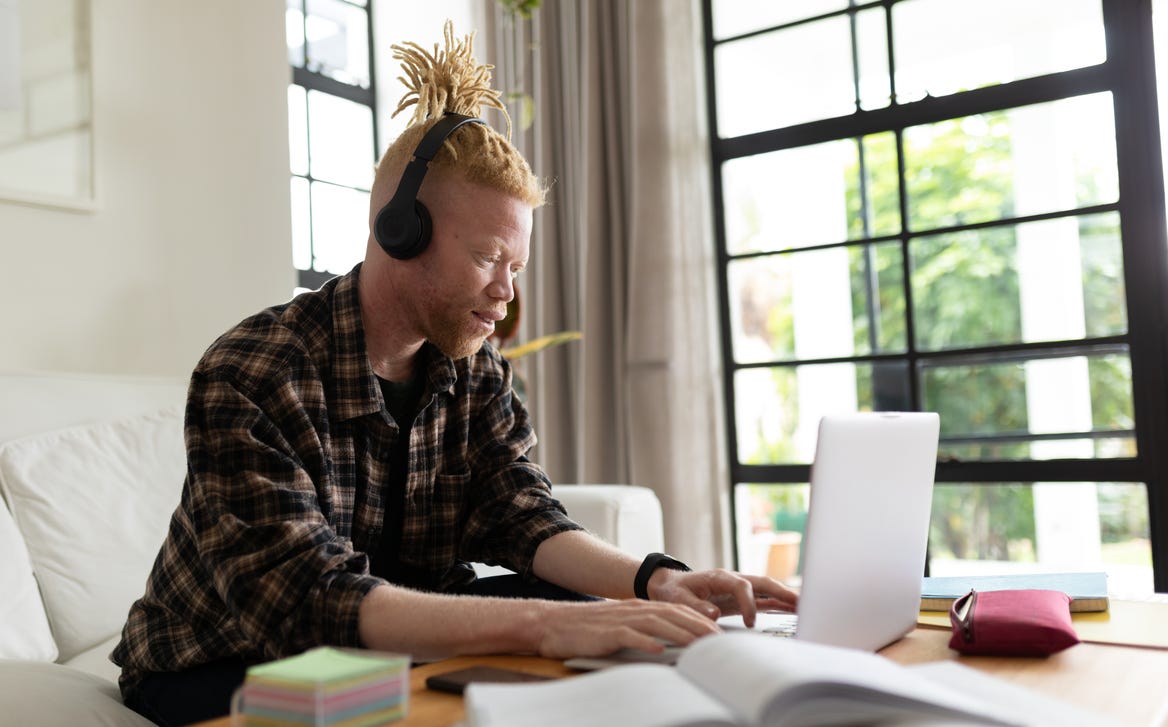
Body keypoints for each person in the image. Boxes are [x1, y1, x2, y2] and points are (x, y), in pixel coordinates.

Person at [111, 22, 796, 727]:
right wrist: (536, 627)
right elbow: (311, 602)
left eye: (516, 267)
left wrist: (658, 579)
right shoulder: (251, 372)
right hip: (228, 661)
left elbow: (522, 515)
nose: (507, 292)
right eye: (487, 257)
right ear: (398, 229)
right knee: (471, 657)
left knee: (605, 617)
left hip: (389, 636)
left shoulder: (475, 370)